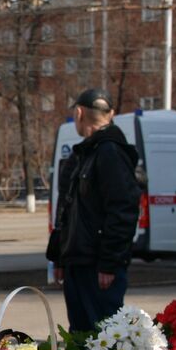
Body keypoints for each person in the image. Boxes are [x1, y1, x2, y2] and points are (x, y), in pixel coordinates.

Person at [47, 88, 140, 332]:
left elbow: (123, 211)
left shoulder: (110, 152)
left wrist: (109, 263)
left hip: (98, 266)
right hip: (78, 261)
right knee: (81, 338)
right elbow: (66, 211)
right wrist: (59, 256)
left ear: (79, 113)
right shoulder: (85, 154)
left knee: (103, 339)